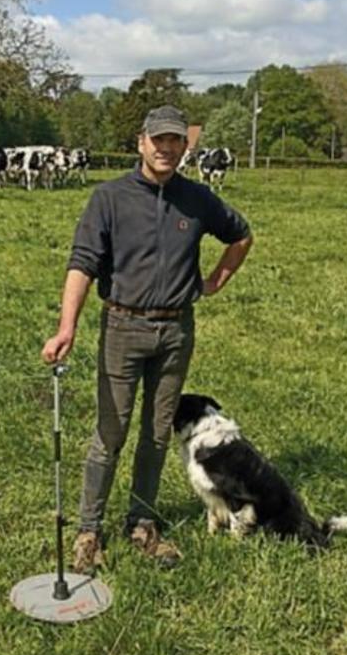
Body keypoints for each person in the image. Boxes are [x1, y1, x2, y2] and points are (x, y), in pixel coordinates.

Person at [41, 105, 253, 569]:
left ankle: (142, 522)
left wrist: (217, 279)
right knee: (109, 434)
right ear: (141, 142)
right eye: (158, 139)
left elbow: (241, 236)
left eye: (175, 140)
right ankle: (88, 532)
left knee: (157, 435)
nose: (165, 148)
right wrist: (66, 328)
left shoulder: (197, 199)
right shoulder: (109, 198)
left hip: (176, 331)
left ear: (184, 146)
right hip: (122, 327)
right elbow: (82, 263)